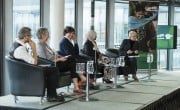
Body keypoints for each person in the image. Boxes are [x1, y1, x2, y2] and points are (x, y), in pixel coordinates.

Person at [9, 27, 64, 102]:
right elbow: (34, 62)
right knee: (54, 70)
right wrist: (34, 49)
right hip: (27, 73)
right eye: (30, 36)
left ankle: (52, 94)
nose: (31, 38)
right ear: (26, 37)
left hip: (23, 70)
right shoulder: (20, 49)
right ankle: (52, 96)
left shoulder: (15, 44)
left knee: (51, 68)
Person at [36, 27, 85, 94]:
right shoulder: (39, 45)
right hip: (52, 65)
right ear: (43, 35)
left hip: (56, 62)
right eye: (47, 34)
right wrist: (59, 59)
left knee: (72, 61)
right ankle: (80, 80)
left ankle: (77, 86)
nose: (49, 36)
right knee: (72, 61)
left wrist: (59, 56)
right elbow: (45, 60)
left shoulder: (45, 44)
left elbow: (53, 54)